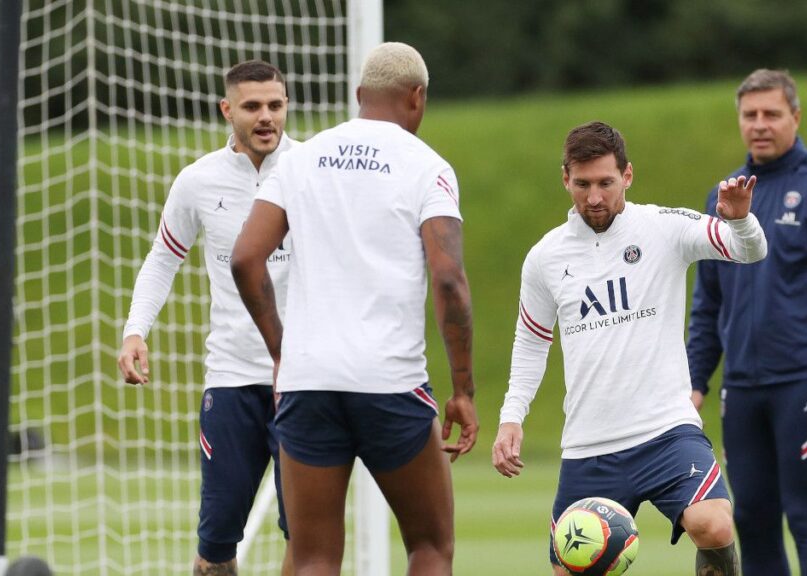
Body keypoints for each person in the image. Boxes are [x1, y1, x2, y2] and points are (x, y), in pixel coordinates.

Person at [230, 42, 478, 576]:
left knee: (315, 556)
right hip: (389, 383)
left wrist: (282, 351)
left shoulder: (299, 161)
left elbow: (246, 259)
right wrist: (463, 390)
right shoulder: (427, 166)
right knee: (430, 547)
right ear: (417, 98)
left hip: (308, 380)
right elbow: (450, 282)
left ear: (359, 95)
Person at [493, 121, 767, 576]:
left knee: (715, 523)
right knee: (569, 571)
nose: (594, 197)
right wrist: (511, 417)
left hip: (665, 431)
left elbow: (748, 251)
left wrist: (739, 218)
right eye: (582, 184)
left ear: (628, 176)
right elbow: (531, 341)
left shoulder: (663, 227)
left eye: (605, 182)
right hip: (589, 446)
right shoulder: (545, 257)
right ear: (565, 178)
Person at [687, 69, 807, 576]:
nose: (760, 124)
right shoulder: (723, 199)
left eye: (772, 113)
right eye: (750, 115)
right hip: (743, 387)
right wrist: (693, 382)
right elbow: (708, 301)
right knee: (750, 519)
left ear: (795, 117)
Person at [117, 60, 297, 576]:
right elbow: (162, 259)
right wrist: (135, 331)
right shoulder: (197, 182)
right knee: (215, 551)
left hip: (305, 382)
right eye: (252, 106)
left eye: (276, 105)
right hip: (232, 381)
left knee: (307, 538)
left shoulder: (312, 171)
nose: (266, 117)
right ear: (227, 110)